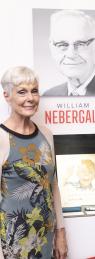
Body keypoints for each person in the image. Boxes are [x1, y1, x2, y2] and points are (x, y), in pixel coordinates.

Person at [0, 66, 68, 258]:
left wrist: (61, 233)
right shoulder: (2, 138)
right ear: (7, 96)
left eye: (34, 91)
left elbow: (53, 185)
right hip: (12, 243)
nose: (30, 98)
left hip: (44, 237)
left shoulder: (46, 134)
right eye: (22, 92)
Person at [43, 9, 95, 97]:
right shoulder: (49, 95)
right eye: (62, 45)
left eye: (80, 44)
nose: (71, 54)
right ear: (51, 47)